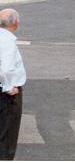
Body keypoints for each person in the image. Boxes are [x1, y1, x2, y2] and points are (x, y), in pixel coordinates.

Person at [0, 9, 26, 160]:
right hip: (6, 95)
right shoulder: (7, 42)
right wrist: (9, 87)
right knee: (7, 137)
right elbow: (6, 68)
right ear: (16, 23)